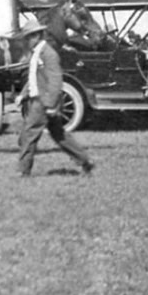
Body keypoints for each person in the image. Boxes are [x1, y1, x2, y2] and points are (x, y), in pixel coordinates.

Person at [14, 19, 95, 177]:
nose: (27, 41)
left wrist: (50, 105)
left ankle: (23, 171)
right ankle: (85, 161)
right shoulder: (36, 53)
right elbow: (34, 77)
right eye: (26, 37)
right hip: (39, 100)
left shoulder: (49, 54)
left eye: (29, 37)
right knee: (60, 135)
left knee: (28, 134)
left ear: (38, 35)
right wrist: (23, 95)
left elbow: (56, 80)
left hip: (42, 102)